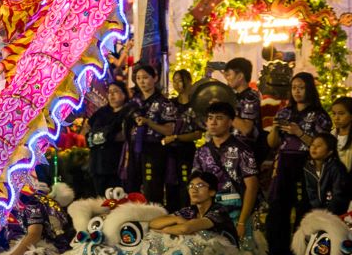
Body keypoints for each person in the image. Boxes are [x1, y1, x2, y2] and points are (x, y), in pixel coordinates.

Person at [264, 72, 330, 255]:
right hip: (283, 163)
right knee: (277, 209)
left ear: (309, 88)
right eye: (294, 87)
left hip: (305, 163)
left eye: (301, 87)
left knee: (303, 209)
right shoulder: (285, 113)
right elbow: (272, 144)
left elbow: (322, 145)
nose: (297, 91)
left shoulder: (320, 115)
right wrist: (275, 128)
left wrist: (299, 132)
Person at [142, 171, 242, 255]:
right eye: (191, 186)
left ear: (212, 192)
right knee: (154, 236)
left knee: (197, 238)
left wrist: (166, 229)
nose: (194, 190)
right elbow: (154, 223)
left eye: (200, 186)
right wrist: (178, 220)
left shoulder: (219, 211)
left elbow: (186, 228)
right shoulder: (190, 211)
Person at [189, 100, 259, 239]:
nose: (213, 122)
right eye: (210, 118)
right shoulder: (202, 151)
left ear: (230, 122)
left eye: (219, 118)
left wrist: (241, 223)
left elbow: (252, 187)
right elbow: (194, 185)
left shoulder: (242, 150)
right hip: (209, 211)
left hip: (236, 209)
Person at [120, 66, 180, 203]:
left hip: (153, 150)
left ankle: (153, 219)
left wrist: (149, 122)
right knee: (131, 187)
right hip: (133, 149)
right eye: (138, 78)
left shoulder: (164, 103)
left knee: (151, 189)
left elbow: (170, 130)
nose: (142, 82)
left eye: (146, 78)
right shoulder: (133, 102)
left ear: (155, 78)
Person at [85, 80, 131, 197]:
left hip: (116, 165)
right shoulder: (102, 112)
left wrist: (100, 136)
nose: (111, 95)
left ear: (124, 94)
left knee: (116, 199)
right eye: (109, 92)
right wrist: (107, 136)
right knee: (101, 199)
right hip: (98, 163)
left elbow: (123, 136)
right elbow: (87, 131)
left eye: (115, 92)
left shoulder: (128, 112)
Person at [222, 58, 264, 157]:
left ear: (240, 76)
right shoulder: (233, 97)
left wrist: (224, 111)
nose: (227, 78)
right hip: (230, 151)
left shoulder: (251, 97)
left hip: (245, 153)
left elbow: (246, 129)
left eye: (229, 75)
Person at [299, 132, 349, 215]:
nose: (314, 148)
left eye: (318, 146)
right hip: (313, 213)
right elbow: (308, 193)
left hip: (333, 214)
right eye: (312, 145)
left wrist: (327, 214)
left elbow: (338, 195)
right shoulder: (307, 167)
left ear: (330, 151)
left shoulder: (336, 168)